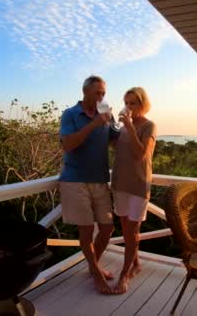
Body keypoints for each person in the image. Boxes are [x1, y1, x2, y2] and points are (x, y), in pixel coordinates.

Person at [59, 75, 118, 294]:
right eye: (98, 93)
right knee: (86, 230)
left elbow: (116, 142)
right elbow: (68, 145)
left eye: (103, 93)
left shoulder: (106, 115)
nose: (102, 97)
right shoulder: (70, 114)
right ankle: (96, 272)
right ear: (85, 92)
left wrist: (128, 123)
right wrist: (94, 124)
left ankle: (94, 266)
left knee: (108, 227)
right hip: (75, 180)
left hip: (100, 180)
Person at [110, 87, 157, 294]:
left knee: (133, 232)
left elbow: (141, 155)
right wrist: (108, 125)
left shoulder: (149, 126)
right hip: (120, 183)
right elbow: (117, 148)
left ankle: (124, 274)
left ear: (142, 104)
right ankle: (136, 264)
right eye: (126, 103)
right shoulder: (122, 128)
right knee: (126, 230)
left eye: (133, 103)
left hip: (138, 185)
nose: (129, 107)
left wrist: (128, 126)